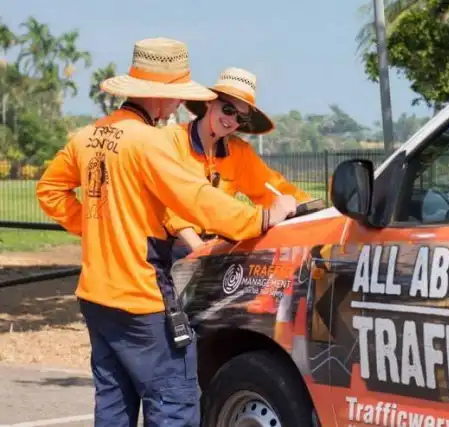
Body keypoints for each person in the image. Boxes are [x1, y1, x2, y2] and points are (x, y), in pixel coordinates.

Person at [35, 38, 296, 427]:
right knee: (173, 403)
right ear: (158, 94)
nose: (179, 104)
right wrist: (260, 219)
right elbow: (196, 199)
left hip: (96, 295)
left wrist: (98, 227)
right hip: (141, 299)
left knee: (113, 406)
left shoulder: (88, 136)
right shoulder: (150, 143)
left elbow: (49, 191)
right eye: (177, 95)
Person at [161, 66, 312, 261]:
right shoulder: (172, 140)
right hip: (171, 249)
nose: (231, 120)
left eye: (240, 117)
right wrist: (197, 247)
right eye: (228, 109)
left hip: (216, 250)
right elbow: (167, 203)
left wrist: (313, 209)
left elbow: (272, 187)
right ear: (210, 102)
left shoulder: (239, 152)